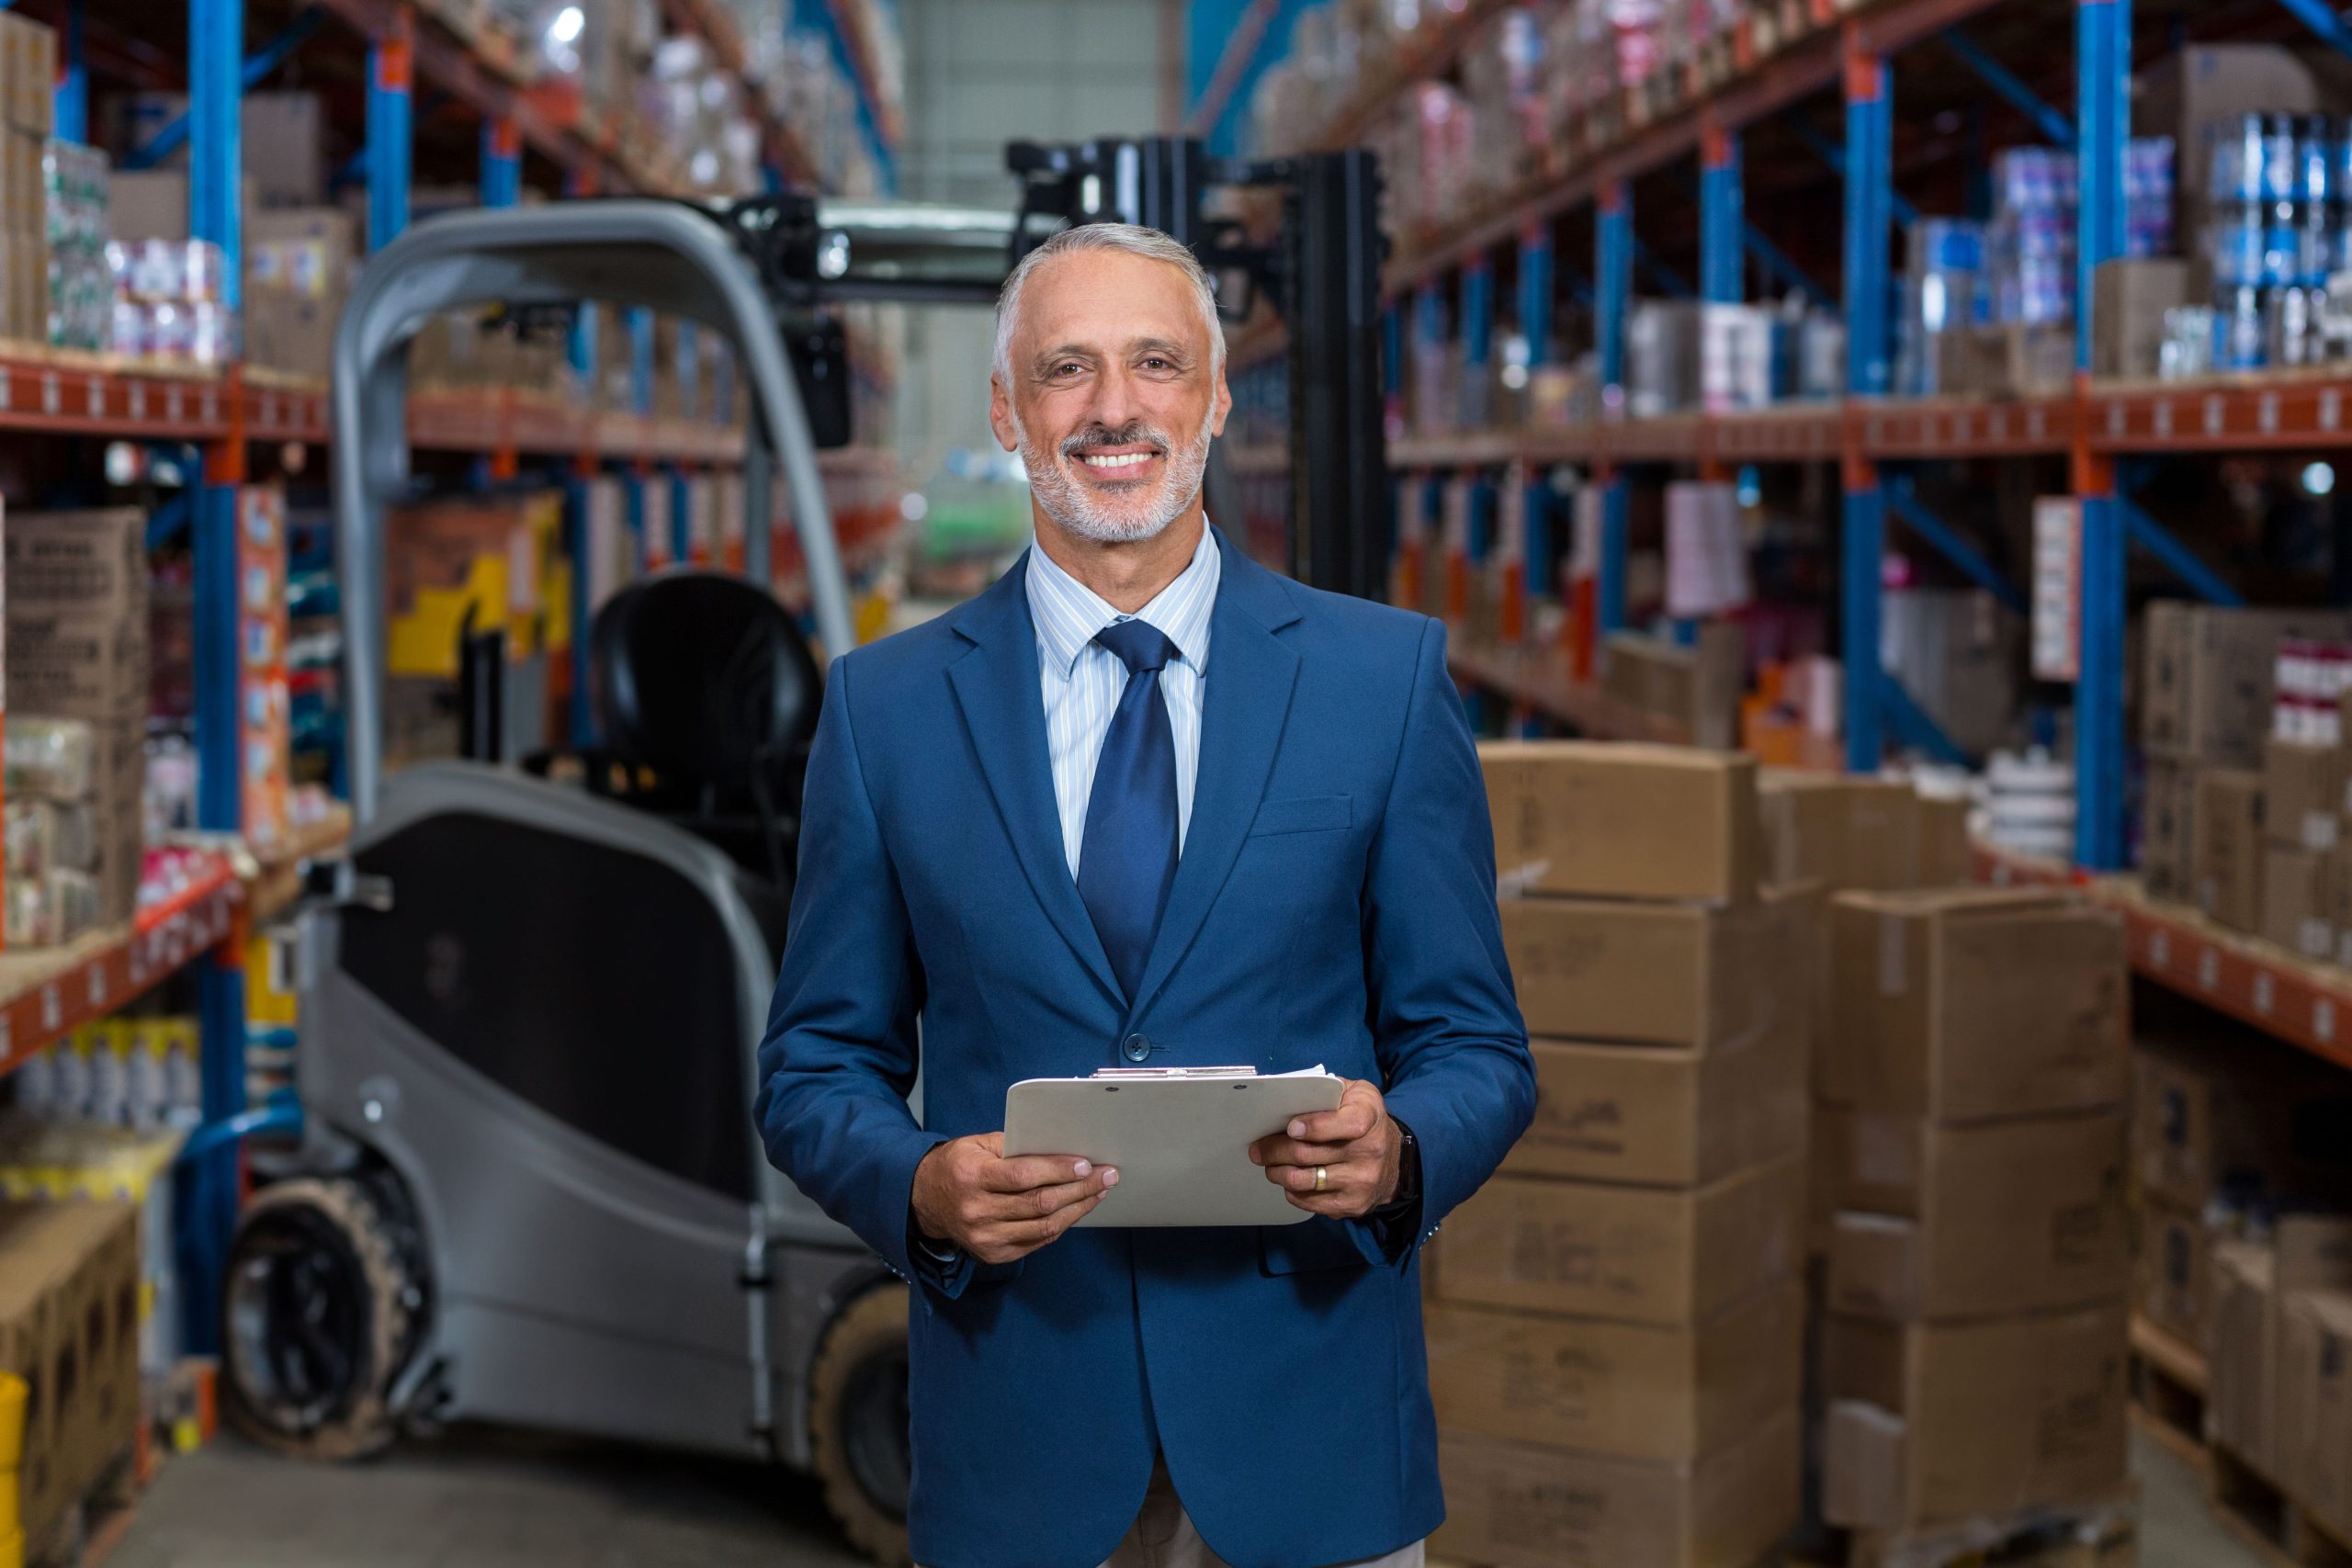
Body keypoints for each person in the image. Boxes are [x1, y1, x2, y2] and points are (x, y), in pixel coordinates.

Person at [755, 222, 1533, 1568]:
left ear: (1217, 399)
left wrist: (1398, 1152)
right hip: (1023, 1444)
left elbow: (1476, 1047)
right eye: (1067, 368)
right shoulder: (886, 713)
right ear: (1008, 411)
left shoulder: (1380, 684)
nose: (1115, 408)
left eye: (1156, 363)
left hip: (1310, 1436)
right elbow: (816, 1063)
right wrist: (923, 1186)